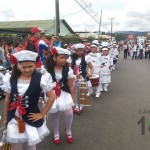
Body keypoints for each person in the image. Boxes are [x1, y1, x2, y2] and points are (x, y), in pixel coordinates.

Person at [3, 50, 55, 150]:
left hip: (31, 116)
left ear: (35, 64)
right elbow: (7, 99)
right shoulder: (11, 77)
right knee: (15, 145)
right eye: (24, 67)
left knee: (31, 144)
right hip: (14, 117)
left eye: (30, 66)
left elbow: (52, 97)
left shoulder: (41, 78)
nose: (27, 70)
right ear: (18, 65)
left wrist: (42, 114)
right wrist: (6, 117)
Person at [45, 47, 75, 144]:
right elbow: (44, 85)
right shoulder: (46, 69)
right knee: (55, 113)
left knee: (69, 113)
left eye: (65, 58)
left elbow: (71, 86)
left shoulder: (68, 70)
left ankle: (68, 130)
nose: (64, 60)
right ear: (54, 57)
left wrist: (73, 100)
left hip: (64, 93)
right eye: (61, 57)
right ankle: (56, 133)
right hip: (52, 94)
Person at [68, 43, 94, 114]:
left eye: (81, 50)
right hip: (73, 77)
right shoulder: (71, 58)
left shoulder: (86, 57)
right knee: (74, 92)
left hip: (83, 77)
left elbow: (91, 67)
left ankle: (80, 106)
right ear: (75, 51)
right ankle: (74, 105)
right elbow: (69, 68)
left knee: (82, 92)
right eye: (78, 51)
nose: (79, 52)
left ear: (84, 50)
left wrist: (90, 73)